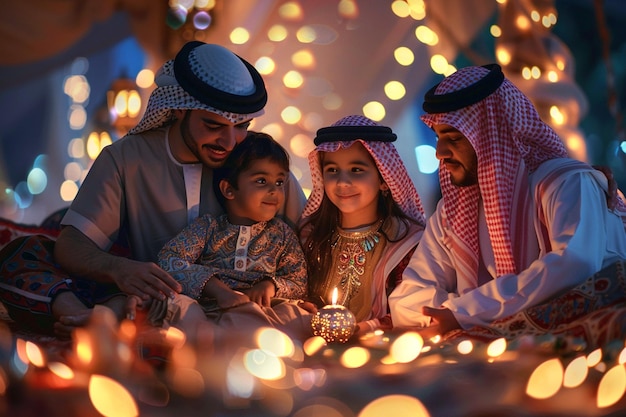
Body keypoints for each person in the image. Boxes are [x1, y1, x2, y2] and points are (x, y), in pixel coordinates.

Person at [0, 41, 306, 337]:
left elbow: (308, 244)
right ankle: (81, 317)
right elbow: (72, 246)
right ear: (179, 110)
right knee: (21, 255)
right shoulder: (126, 157)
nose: (228, 143)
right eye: (213, 126)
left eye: (241, 127)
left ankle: (104, 323)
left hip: (233, 305)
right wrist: (119, 268)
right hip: (150, 296)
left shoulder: (256, 163)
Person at [388, 64, 626, 343]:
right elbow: (407, 299)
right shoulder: (451, 212)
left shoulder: (566, 183)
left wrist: (464, 312)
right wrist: (456, 316)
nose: (440, 153)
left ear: (491, 134)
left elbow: (575, 266)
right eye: (439, 138)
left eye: (453, 139)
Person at [154, 131, 310, 339]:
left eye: (280, 182)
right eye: (262, 181)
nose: (274, 190)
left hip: (264, 310)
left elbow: (299, 282)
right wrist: (218, 290)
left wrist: (270, 286)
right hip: (212, 309)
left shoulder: (281, 235)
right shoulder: (208, 228)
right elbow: (169, 259)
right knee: (179, 306)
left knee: (302, 316)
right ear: (229, 190)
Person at [298, 115, 426, 336]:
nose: (342, 182)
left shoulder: (407, 241)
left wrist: (363, 329)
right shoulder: (310, 235)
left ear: (384, 179)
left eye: (356, 170)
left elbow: (414, 311)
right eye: (332, 170)